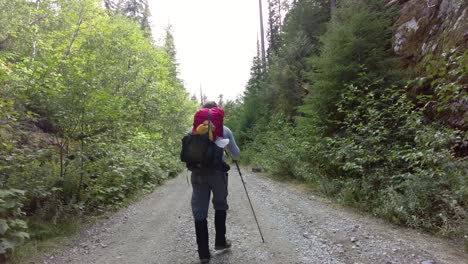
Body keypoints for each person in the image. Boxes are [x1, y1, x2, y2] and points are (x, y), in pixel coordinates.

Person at [190, 101, 240, 263]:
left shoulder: (194, 130)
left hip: (198, 174)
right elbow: (236, 153)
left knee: (200, 210)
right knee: (220, 205)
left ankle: (203, 253)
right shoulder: (224, 130)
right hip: (218, 174)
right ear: (217, 111)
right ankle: (220, 242)